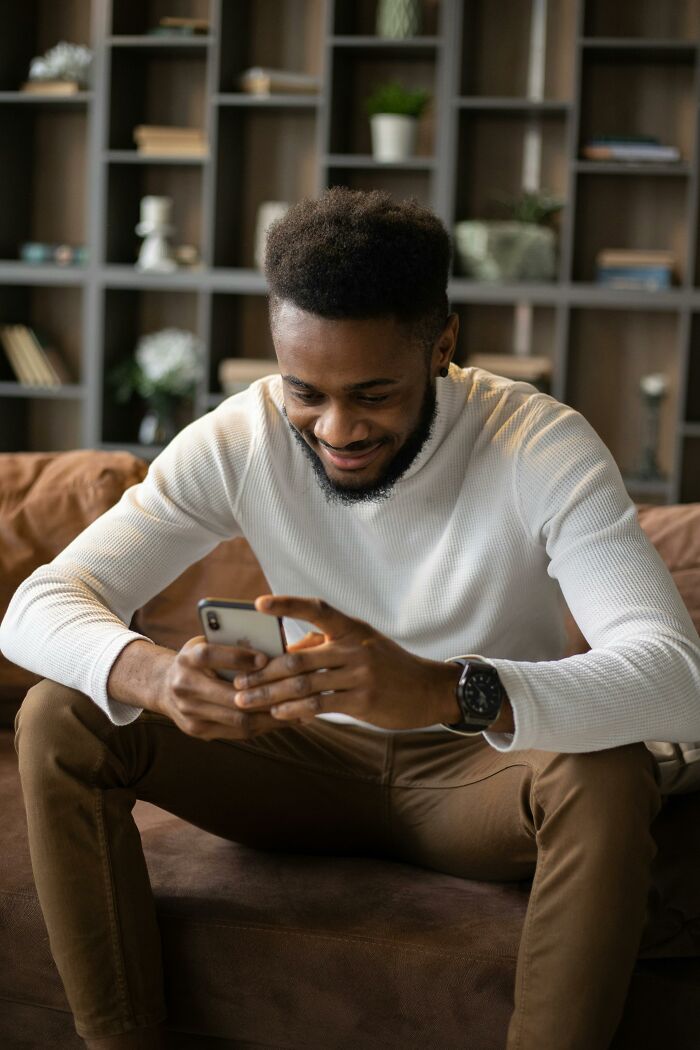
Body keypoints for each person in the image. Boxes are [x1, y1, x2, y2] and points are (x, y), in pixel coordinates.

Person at [2, 188, 700, 1050]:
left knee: (605, 772)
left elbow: (678, 678)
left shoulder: (541, 445)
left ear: (442, 345)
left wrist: (449, 691)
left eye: (373, 393)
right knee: (61, 713)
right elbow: (37, 603)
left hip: (475, 774)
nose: (336, 428)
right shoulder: (242, 435)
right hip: (301, 756)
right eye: (306, 391)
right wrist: (151, 672)